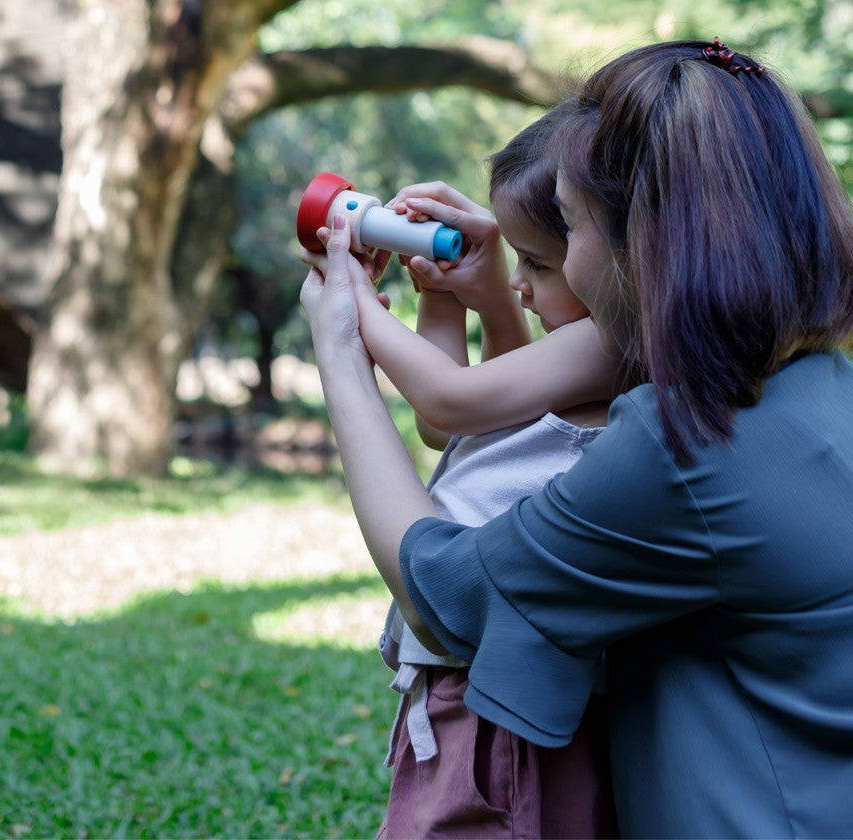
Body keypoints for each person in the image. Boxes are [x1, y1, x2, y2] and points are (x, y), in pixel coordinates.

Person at [301, 38, 853, 838]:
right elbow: (506, 427)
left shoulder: (685, 444)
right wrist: (487, 298)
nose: (560, 259)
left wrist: (343, 353)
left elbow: (447, 598)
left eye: (570, 224)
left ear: (647, 242)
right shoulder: (819, 388)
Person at [315, 104, 619, 838]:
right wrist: (449, 298)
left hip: (494, 710)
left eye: (538, 262)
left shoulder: (609, 342)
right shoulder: (579, 354)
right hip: (468, 688)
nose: (519, 283)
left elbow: (450, 401)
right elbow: (460, 430)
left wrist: (351, 307)